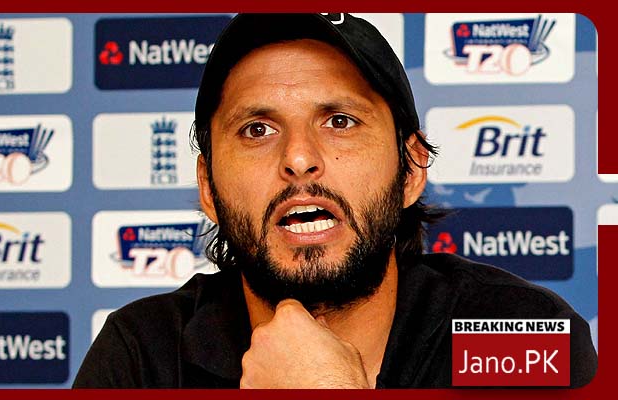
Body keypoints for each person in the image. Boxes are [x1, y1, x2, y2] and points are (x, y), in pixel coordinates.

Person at [73, 13, 597, 388]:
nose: (299, 158)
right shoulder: (143, 355)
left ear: (411, 169)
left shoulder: (520, 332)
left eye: (340, 121)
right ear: (208, 187)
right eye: (257, 130)